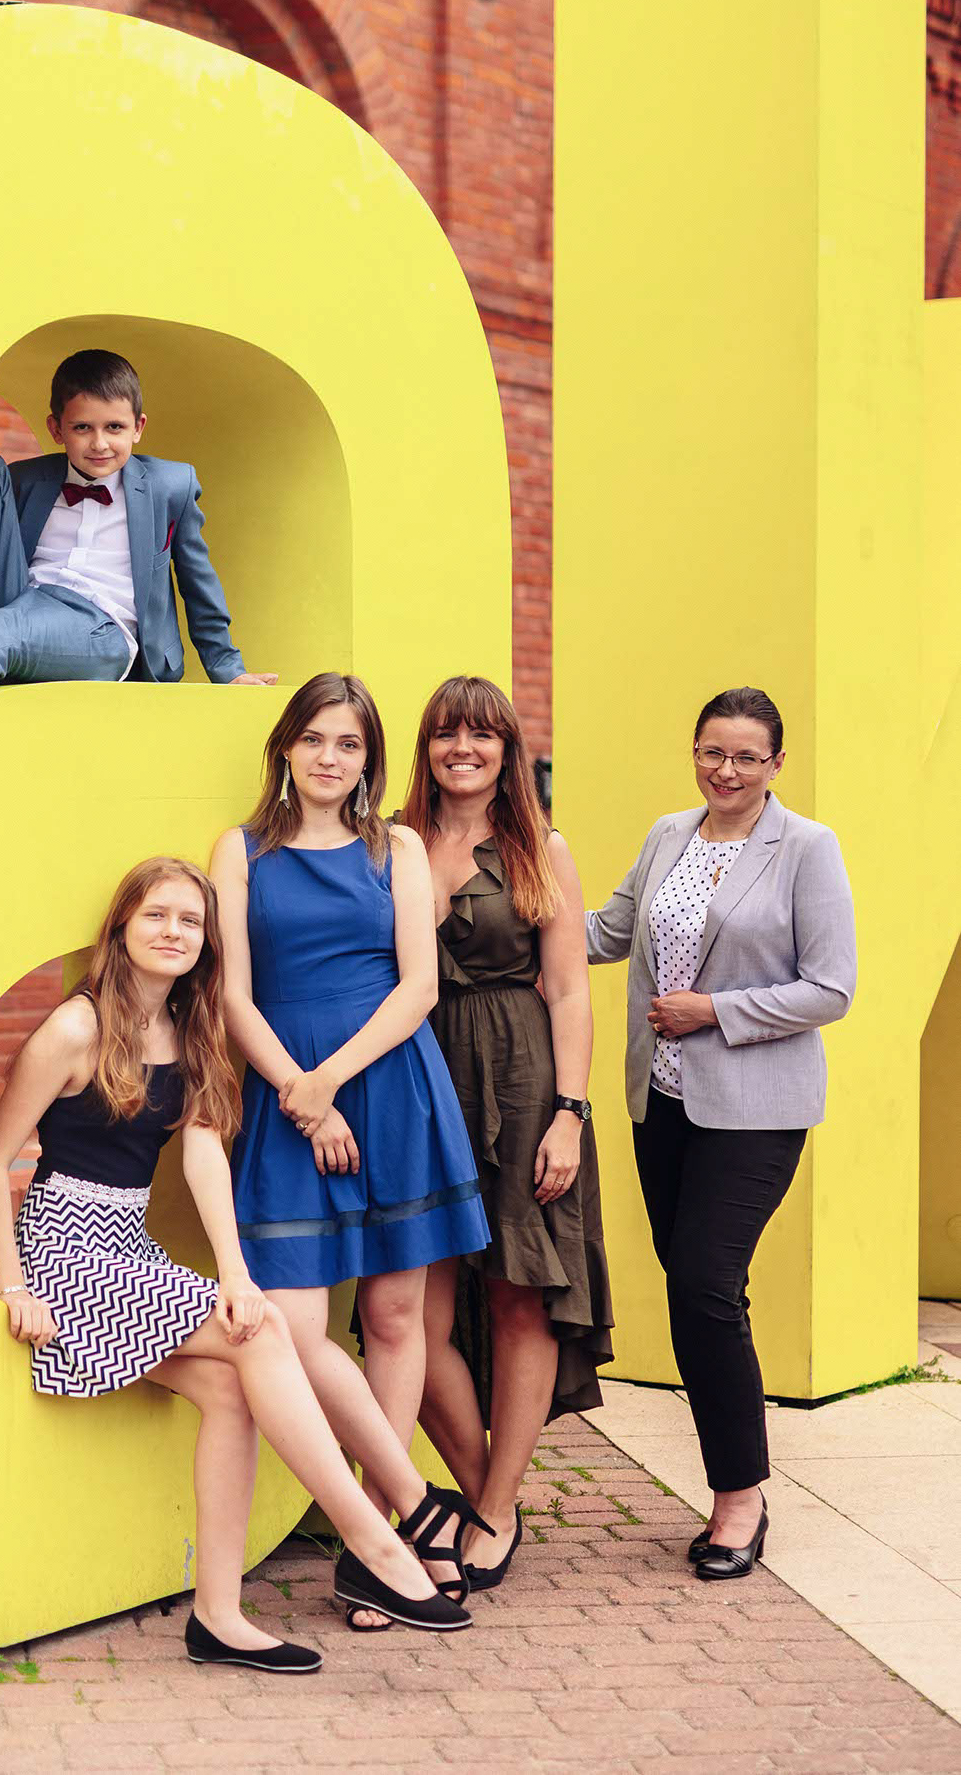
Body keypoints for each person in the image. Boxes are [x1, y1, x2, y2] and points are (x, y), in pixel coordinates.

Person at [0, 855, 473, 1666]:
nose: (173, 933)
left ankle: (218, 1617)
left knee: (234, 1387)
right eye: (156, 916)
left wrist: (234, 1274)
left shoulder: (188, 1028)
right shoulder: (74, 1029)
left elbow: (203, 1153)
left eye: (190, 921)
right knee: (265, 1332)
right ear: (120, 927)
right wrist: (13, 1283)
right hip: (63, 1252)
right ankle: (377, 1540)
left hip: (125, 1246)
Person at [210, 673, 491, 1633]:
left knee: (396, 1316)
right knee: (289, 1327)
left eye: (350, 744)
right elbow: (233, 995)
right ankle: (417, 1509)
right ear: (285, 748)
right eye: (315, 739)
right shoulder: (240, 851)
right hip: (283, 1089)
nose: (330, 758)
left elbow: (418, 987)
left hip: (389, 1086)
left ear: (369, 760)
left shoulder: (395, 847)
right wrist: (302, 1093)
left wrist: (328, 1082)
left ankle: (382, 1538)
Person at [586, 686, 856, 1581]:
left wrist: (714, 1011)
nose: (726, 771)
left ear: (775, 763)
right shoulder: (668, 834)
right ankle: (734, 1481)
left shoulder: (805, 847)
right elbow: (606, 933)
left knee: (705, 1285)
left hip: (756, 1107)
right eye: (712, 752)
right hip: (660, 1101)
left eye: (745, 756)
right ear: (693, 751)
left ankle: (739, 1499)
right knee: (696, 1295)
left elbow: (830, 988)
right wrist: (487, 913)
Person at [401, 676, 612, 1594]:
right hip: (418, 1078)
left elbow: (567, 988)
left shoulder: (539, 847)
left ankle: (490, 1509)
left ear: (506, 750)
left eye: (481, 734)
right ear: (425, 747)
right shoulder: (393, 842)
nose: (463, 748)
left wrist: (570, 1113)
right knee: (413, 1317)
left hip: (523, 1083)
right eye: (446, 732)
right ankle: (493, 1492)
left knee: (521, 1295)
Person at [0, 348, 275, 752]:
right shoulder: (27, 480)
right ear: (56, 429)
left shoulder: (169, 486)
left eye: (114, 427)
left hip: (103, 630)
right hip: (22, 603)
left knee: (7, 631)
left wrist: (228, 670)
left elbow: (198, 582)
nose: (99, 443)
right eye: (82, 428)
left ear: (138, 427)